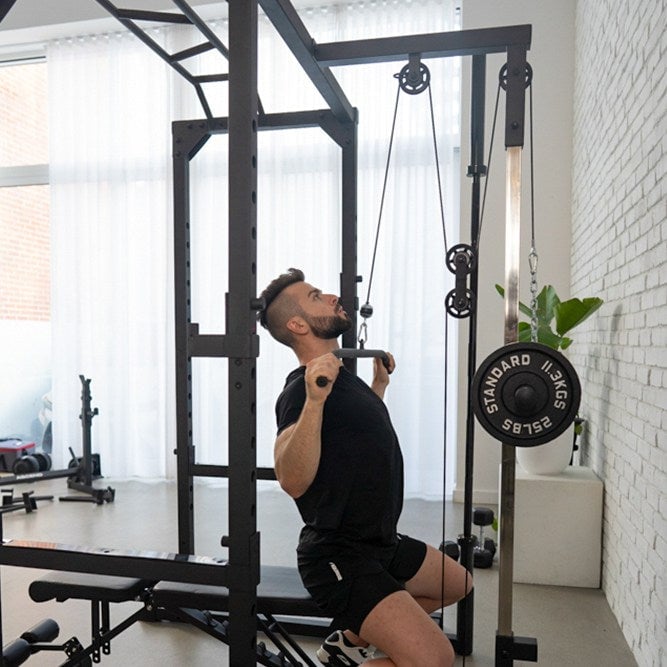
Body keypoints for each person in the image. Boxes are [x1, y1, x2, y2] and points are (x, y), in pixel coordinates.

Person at [259, 268, 472, 666]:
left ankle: (348, 641)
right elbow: (290, 478)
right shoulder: (301, 390)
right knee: (435, 659)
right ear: (297, 324)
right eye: (317, 296)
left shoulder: (343, 378)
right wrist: (314, 400)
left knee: (457, 582)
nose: (333, 297)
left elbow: (355, 443)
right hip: (339, 554)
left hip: (379, 541)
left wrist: (379, 388)